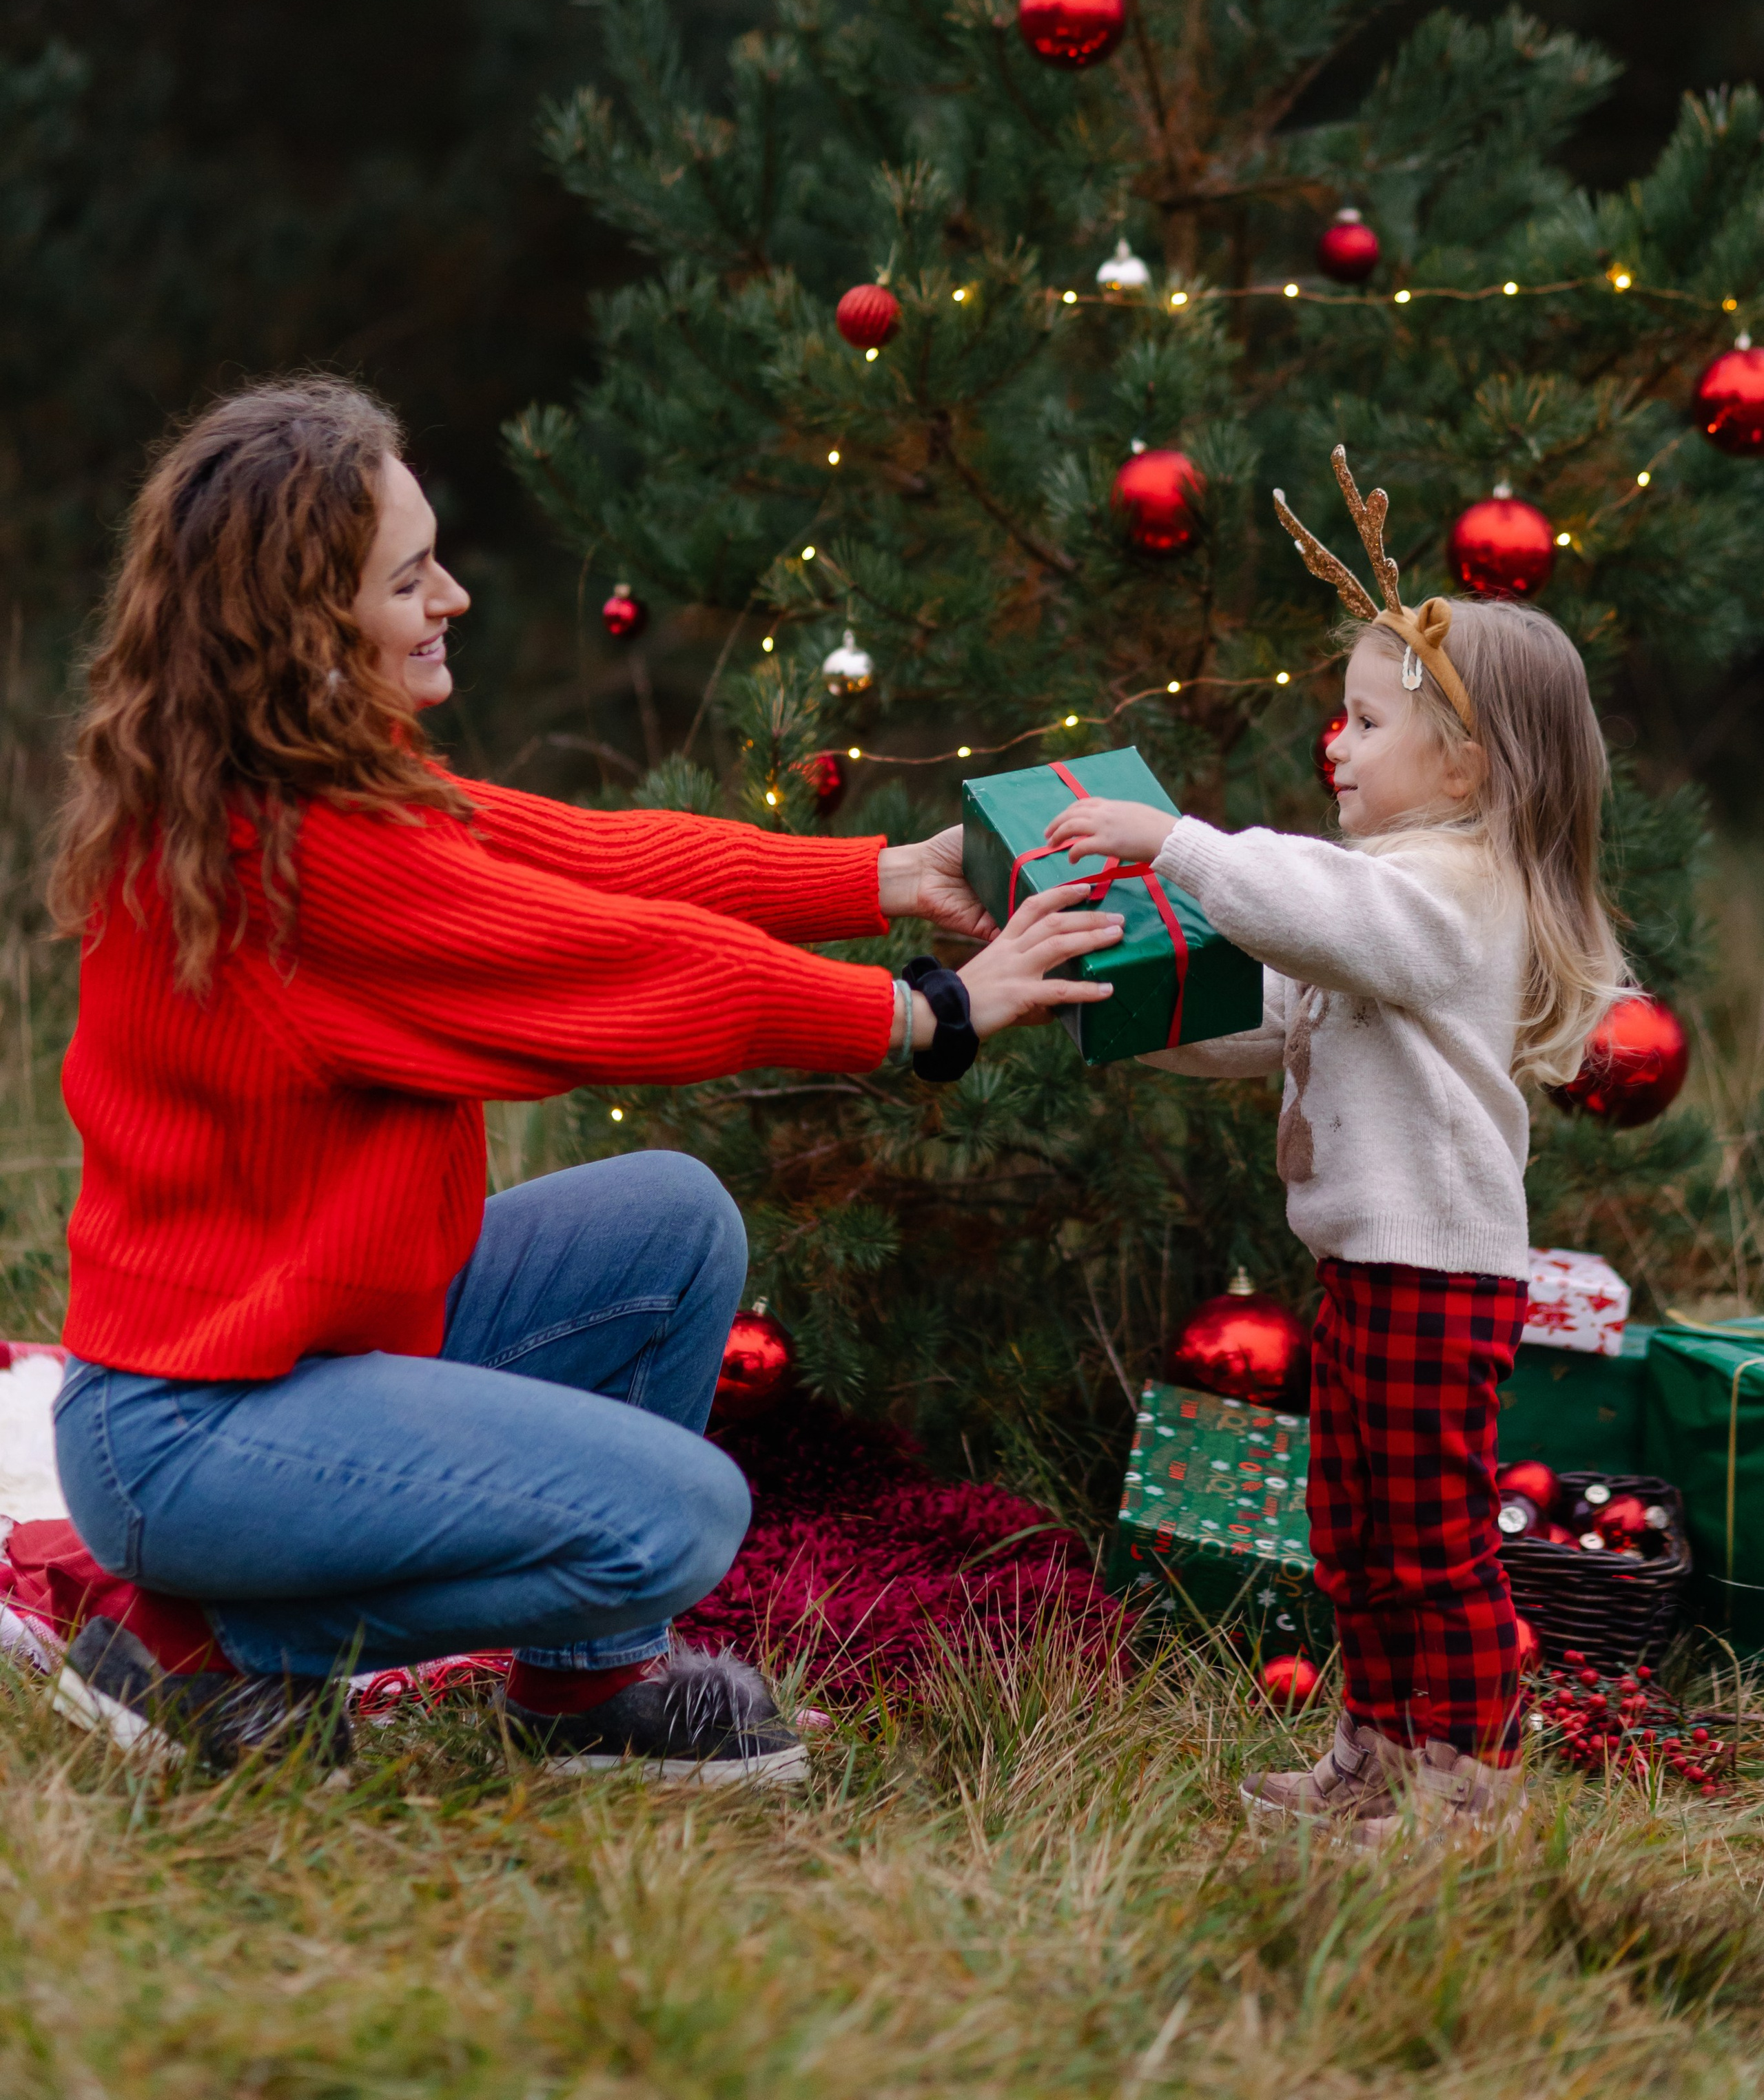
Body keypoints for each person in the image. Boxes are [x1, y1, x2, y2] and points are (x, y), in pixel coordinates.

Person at [40, 376, 1125, 1778]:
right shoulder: (301, 859)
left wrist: (886, 878)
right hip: (198, 1435)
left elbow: (597, 860)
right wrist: (923, 1014)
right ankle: (208, 1648)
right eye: (408, 580)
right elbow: (621, 965)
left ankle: (586, 1692)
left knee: (670, 1224)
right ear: (304, 626)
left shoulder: (314, 785)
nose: (452, 600)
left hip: (297, 1358)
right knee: (677, 1519)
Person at [1039, 449, 1623, 1841]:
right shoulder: (1385, 899)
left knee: (1429, 1538)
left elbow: (1313, 913)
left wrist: (1174, 843)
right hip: (1372, 1268)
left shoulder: (1453, 893)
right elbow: (1272, 1016)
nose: (1336, 746)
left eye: (1365, 723)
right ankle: (1377, 1749)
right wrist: (1111, 1010)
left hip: (1438, 1273)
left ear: (1463, 762)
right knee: (1357, 1526)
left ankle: (1465, 1787)